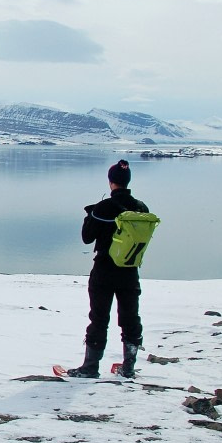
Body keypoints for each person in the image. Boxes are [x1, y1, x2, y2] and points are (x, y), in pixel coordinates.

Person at [67, 159, 149, 378]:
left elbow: (86, 238)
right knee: (131, 318)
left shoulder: (104, 207)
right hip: (130, 270)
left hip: (104, 270)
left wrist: (90, 214)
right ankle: (128, 367)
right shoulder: (141, 208)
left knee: (99, 318)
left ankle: (90, 367)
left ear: (111, 182)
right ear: (127, 181)